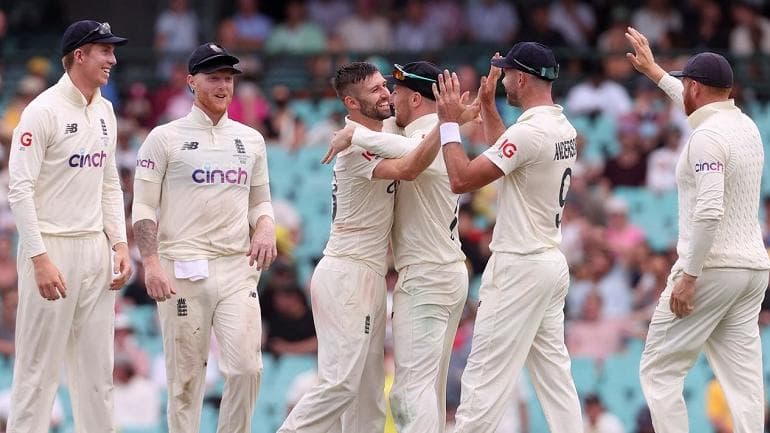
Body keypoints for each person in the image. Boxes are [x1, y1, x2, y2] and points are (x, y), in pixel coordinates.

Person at [278, 61, 450, 433]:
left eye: (384, 85)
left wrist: (455, 116)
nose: (386, 93)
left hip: (370, 273)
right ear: (351, 104)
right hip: (346, 271)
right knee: (340, 383)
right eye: (374, 91)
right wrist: (447, 123)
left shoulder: (378, 132)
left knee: (369, 398)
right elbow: (409, 165)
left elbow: (409, 137)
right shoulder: (357, 148)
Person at [626, 26, 770, 433]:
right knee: (744, 382)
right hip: (752, 272)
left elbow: (709, 210)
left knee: (659, 369)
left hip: (711, 269)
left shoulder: (706, 137)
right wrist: (656, 72)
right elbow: (697, 108)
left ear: (694, 86)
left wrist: (688, 278)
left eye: (684, 85)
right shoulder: (745, 126)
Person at [435, 42, 583, 432]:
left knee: (482, 378)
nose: (502, 82)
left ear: (521, 77)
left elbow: (460, 179)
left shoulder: (532, 132)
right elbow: (510, 156)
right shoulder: (559, 125)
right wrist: (486, 105)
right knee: (556, 381)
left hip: (519, 266)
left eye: (505, 74)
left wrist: (448, 122)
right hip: (548, 263)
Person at [132, 42, 276, 433]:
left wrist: (265, 226)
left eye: (228, 78)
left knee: (247, 368)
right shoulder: (164, 138)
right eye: (213, 77)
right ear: (191, 82)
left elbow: (260, 200)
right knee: (186, 381)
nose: (223, 85)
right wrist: (151, 262)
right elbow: (143, 208)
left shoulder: (251, 139)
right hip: (181, 267)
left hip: (235, 267)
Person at [325, 61, 469, 433]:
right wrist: (453, 119)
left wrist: (354, 135)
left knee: (408, 394)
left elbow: (408, 157)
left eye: (398, 92)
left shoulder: (425, 142)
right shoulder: (439, 135)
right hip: (445, 273)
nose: (391, 97)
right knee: (428, 392)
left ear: (416, 99)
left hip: (426, 278)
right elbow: (391, 133)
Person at [6, 20, 132, 433]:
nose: (113, 60)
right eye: (104, 51)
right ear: (79, 55)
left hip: (94, 250)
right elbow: (19, 190)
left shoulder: (105, 109)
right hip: (52, 248)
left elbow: (109, 182)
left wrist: (119, 243)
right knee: (37, 373)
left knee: (97, 375)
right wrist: (39, 257)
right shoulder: (42, 112)